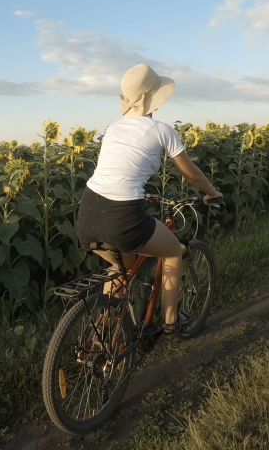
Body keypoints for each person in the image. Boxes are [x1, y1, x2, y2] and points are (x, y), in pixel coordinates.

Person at [76, 63, 223, 336]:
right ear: (154, 98)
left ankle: (102, 337)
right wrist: (212, 193)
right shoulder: (162, 130)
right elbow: (191, 174)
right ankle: (170, 323)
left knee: (122, 269)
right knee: (173, 251)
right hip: (122, 216)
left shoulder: (114, 128)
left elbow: (116, 173)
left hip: (87, 212)